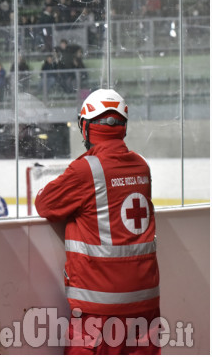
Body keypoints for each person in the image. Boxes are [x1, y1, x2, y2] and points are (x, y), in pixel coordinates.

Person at [35, 89, 160, 354]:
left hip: (100, 311)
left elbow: (45, 204)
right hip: (146, 305)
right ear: (123, 126)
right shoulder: (141, 166)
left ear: (85, 127)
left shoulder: (85, 170)